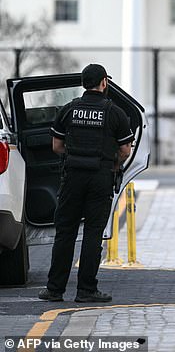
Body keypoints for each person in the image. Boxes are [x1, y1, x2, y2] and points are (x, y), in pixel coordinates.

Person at [38, 64, 134, 302]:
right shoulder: (115, 112)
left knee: (65, 233)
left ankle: (54, 289)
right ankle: (86, 290)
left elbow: (56, 146)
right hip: (100, 178)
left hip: (72, 178)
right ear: (104, 83)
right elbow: (125, 149)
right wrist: (111, 165)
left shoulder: (69, 110)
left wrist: (75, 158)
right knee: (93, 234)